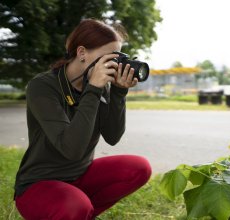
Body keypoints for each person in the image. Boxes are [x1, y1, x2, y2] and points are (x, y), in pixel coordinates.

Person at [14, 19, 152, 220]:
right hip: (38, 184)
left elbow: (112, 136)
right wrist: (93, 90)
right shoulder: (42, 86)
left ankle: (81, 214)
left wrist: (119, 92)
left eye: (118, 57)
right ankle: (74, 212)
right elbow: (71, 148)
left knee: (139, 168)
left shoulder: (100, 85)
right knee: (75, 206)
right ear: (81, 53)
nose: (114, 64)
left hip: (80, 176)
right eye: (108, 57)